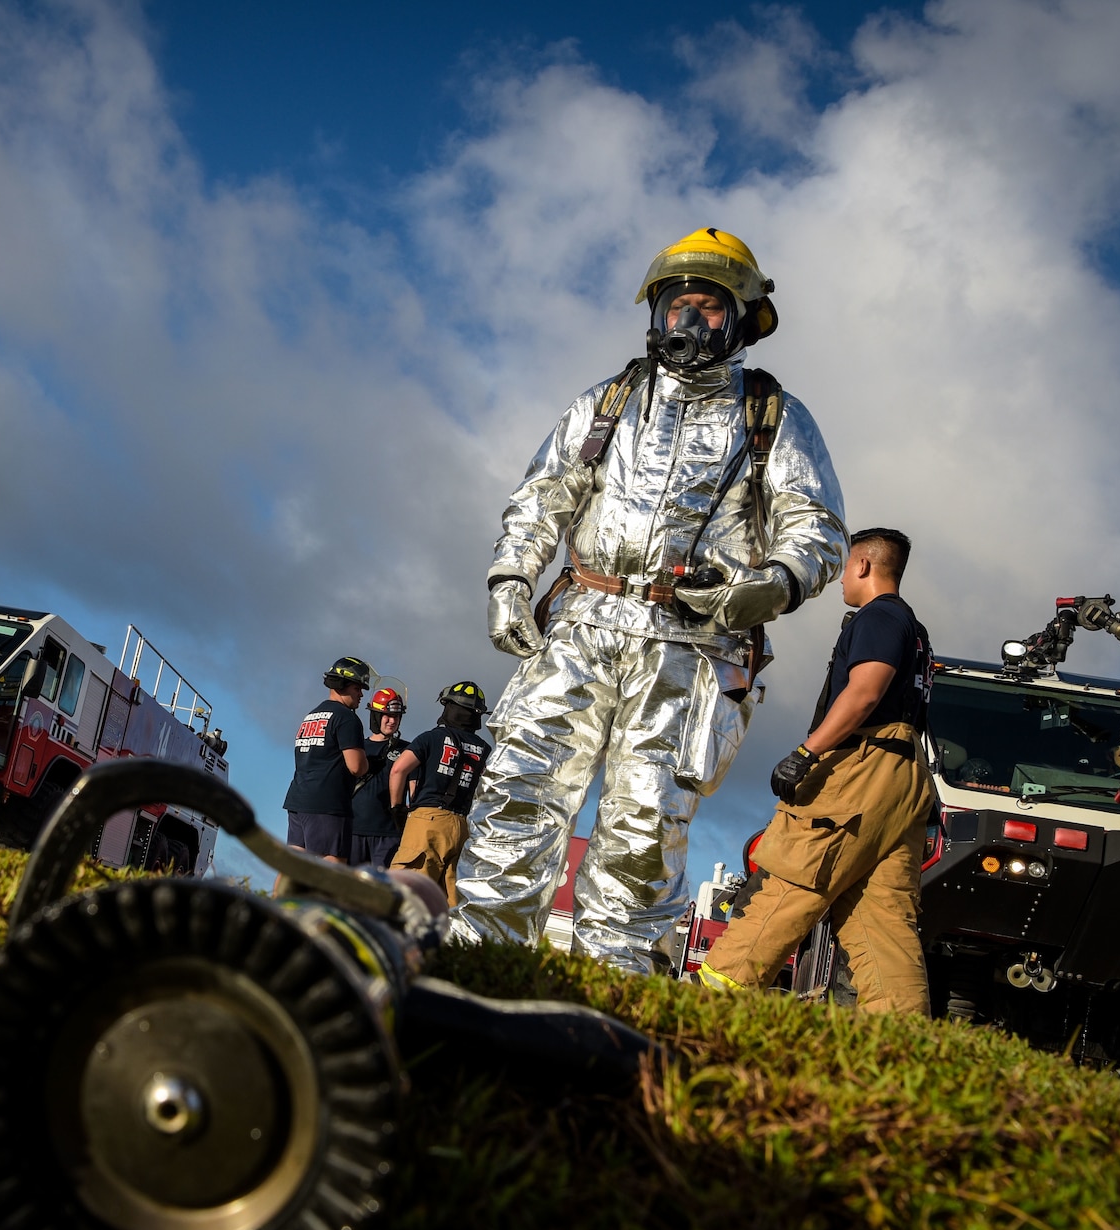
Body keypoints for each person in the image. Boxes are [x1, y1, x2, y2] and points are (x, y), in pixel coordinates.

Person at [451, 227, 848, 975]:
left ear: (739, 320)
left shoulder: (773, 416)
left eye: (708, 307)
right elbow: (543, 495)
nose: (690, 322)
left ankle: (615, 987)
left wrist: (761, 587)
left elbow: (816, 527)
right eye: (677, 306)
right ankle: (479, 964)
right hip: (581, 626)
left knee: (643, 823)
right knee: (519, 790)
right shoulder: (609, 400)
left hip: (694, 650)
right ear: (655, 313)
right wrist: (511, 578)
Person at [699, 529, 935, 1013]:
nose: (842, 579)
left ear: (864, 566)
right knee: (884, 923)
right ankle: (905, 1046)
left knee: (790, 883)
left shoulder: (880, 616)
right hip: (904, 778)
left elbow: (865, 690)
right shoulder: (915, 630)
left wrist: (807, 753)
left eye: (846, 567)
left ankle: (706, 1009)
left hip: (860, 769)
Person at [389, 681, 493, 898]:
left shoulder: (432, 737)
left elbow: (398, 770)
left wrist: (397, 809)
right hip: (462, 828)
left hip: (427, 821)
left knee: (403, 895)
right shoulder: (484, 749)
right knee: (450, 903)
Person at [282, 657, 373, 860]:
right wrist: (369, 764)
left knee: (294, 865)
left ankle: (280, 894)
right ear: (343, 685)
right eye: (358, 688)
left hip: (298, 800)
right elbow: (357, 766)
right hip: (327, 805)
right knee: (331, 865)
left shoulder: (311, 715)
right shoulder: (347, 718)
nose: (361, 694)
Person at [350, 686, 408, 867]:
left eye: (396, 716)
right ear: (375, 716)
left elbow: (417, 785)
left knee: (384, 889)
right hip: (353, 830)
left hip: (389, 834)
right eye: (387, 716)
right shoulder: (355, 748)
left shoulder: (409, 750)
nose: (392, 721)